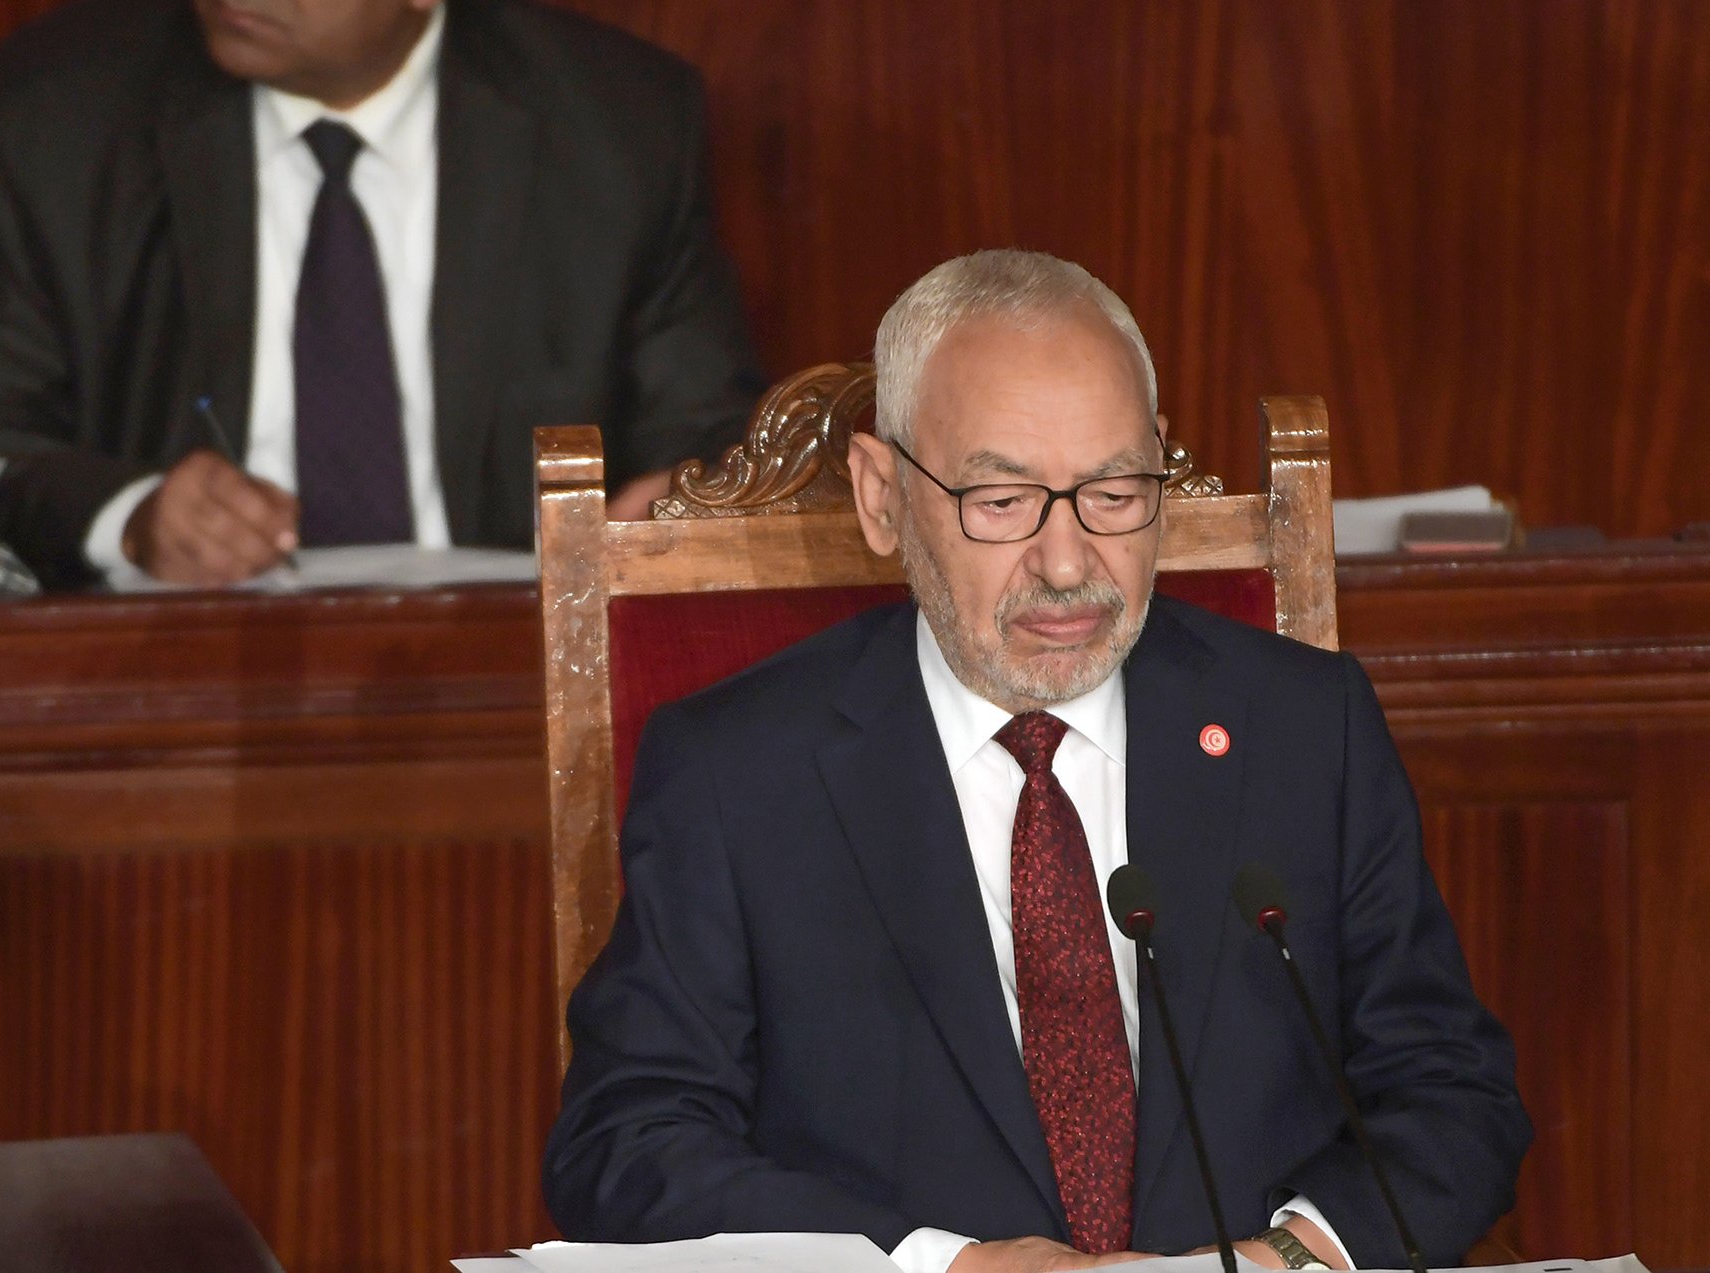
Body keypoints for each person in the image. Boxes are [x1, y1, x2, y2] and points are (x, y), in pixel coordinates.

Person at [543, 250, 1529, 1273]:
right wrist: (942, 1265)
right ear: (881, 497)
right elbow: (627, 1144)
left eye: (1111, 492)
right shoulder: (737, 772)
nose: (1067, 565)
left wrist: (1291, 1255)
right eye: (1001, 500)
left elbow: (1449, 1094)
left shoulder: (1301, 728)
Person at [0, 0, 762, 589]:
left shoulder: (622, 122)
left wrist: (682, 502)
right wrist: (129, 514)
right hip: (151, 678)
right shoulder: (32, 126)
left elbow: (706, 429)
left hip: (517, 678)